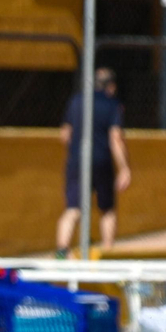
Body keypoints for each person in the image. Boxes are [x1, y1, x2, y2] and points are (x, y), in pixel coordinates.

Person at [56, 67, 131, 257]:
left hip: (77, 161)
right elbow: (115, 138)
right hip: (102, 161)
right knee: (107, 210)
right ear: (111, 87)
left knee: (73, 209)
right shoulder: (112, 105)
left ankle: (62, 252)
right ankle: (107, 252)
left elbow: (65, 134)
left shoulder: (77, 101)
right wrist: (124, 168)